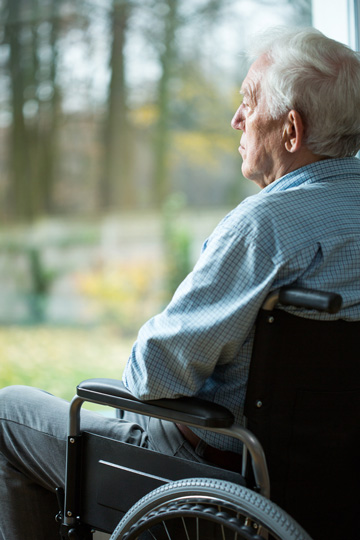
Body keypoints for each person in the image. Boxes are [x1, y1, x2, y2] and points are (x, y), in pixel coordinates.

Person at [1, 26, 360, 539]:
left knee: (10, 413)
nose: (235, 119)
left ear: (291, 131)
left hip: (227, 478)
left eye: (248, 101)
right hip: (340, 480)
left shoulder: (267, 226)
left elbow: (155, 378)